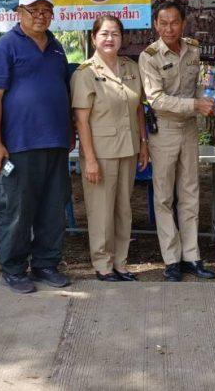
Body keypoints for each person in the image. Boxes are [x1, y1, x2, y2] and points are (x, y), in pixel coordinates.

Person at [0, 0, 73, 294]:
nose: (40, 16)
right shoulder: (4, 48)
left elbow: (63, 91)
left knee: (52, 208)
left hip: (55, 143)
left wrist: (69, 132)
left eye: (46, 10)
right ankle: (13, 268)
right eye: (33, 10)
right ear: (19, 13)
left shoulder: (57, 48)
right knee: (17, 210)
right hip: (18, 145)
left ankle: (46, 264)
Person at [138, 1, 215, 282]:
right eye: (163, 23)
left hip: (189, 129)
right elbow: (156, 99)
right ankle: (171, 259)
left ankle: (191, 256)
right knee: (163, 197)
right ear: (156, 25)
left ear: (183, 23)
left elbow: (198, 87)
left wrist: (211, 99)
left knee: (190, 192)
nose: (169, 28)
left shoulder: (193, 49)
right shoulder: (149, 56)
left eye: (174, 22)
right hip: (164, 130)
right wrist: (195, 104)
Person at [72, 15, 148, 282]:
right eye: (104, 34)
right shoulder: (85, 73)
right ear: (94, 38)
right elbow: (81, 120)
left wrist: (143, 144)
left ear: (121, 38)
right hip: (101, 152)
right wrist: (90, 159)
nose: (109, 38)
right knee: (101, 211)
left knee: (123, 210)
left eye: (115, 33)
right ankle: (103, 264)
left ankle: (121, 262)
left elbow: (138, 109)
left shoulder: (131, 67)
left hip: (128, 148)